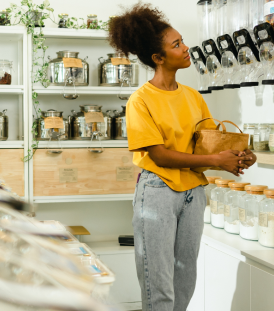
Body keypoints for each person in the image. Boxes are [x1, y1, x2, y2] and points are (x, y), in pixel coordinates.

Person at [109, 3, 256, 311]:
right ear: (158, 58)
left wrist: (239, 156)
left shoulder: (192, 97)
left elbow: (210, 147)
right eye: (177, 45)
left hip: (193, 193)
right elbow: (160, 156)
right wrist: (217, 162)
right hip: (157, 191)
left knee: (184, 286)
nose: (187, 48)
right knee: (159, 286)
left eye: (182, 41)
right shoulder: (140, 101)